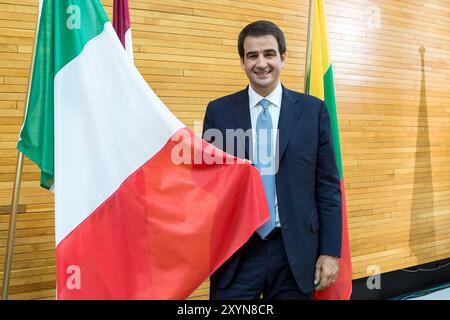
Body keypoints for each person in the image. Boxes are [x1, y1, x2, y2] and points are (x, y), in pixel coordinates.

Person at [202, 20, 342, 300]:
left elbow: (327, 186)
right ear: (242, 62)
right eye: (252, 55)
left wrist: (329, 251)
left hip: (295, 252)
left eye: (269, 54)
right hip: (237, 253)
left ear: (283, 57)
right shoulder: (219, 111)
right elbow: (209, 185)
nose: (261, 63)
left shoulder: (313, 111)